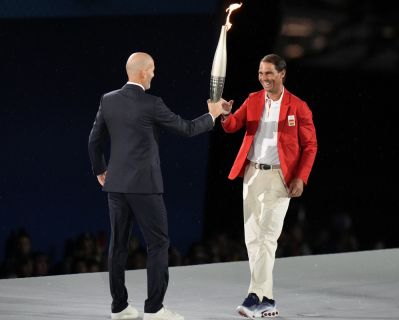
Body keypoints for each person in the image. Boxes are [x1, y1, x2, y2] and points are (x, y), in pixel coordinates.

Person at [88, 52, 224, 320]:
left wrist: (100, 170)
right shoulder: (151, 103)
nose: (153, 74)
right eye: (151, 70)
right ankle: (154, 309)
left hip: (115, 185)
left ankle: (119, 307)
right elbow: (185, 129)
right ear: (142, 72)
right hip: (145, 187)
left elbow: (93, 141)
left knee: (118, 245)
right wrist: (212, 116)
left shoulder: (108, 100)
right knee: (158, 244)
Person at [221, 54, 317, 318]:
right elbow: (232, 126)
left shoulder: (298, 107)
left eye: (269, 73)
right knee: (253, 238)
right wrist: (225, 115)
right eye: (261, 73)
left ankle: (254, 296)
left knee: (267, 237)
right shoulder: (253, 100)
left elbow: (310, 146)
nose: (264, 78)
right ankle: (269, 300)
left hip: (280, 178)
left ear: (282, 74)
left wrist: (301, 177)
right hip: (252, 174)